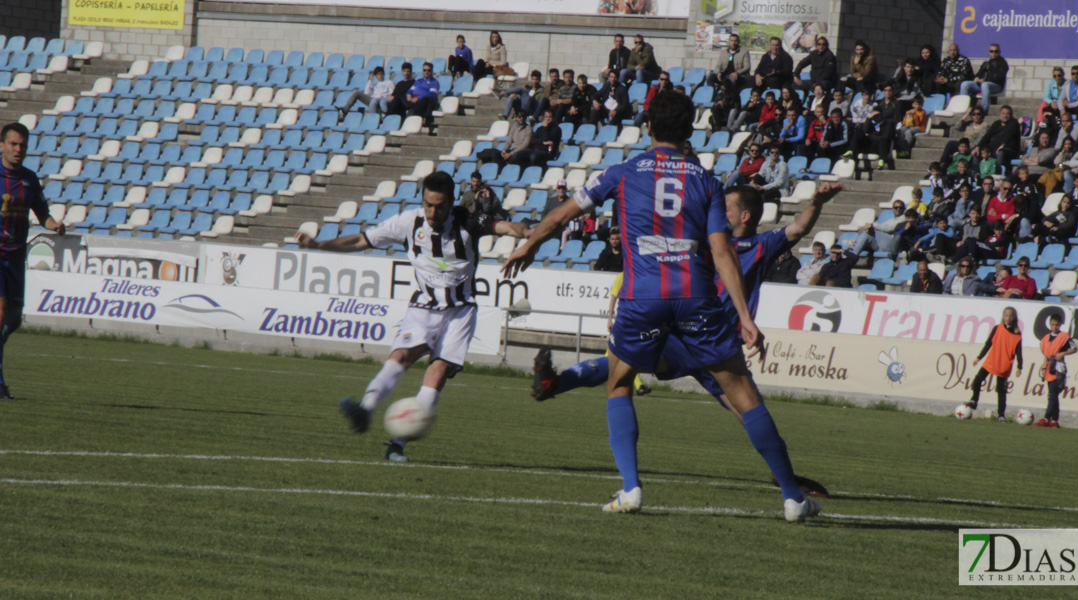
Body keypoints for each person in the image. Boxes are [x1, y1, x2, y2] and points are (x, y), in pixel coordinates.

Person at [502, 92, 823, 521]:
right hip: (696, 298)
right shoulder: (706, 181)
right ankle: (792, 498)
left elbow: (563, 216)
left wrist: (528, 245)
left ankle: (631, 488)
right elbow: (723, 253)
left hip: (643, 296)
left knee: (618, 381)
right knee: (743, 395)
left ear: (648, 127)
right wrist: (745, 318)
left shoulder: (623, 172)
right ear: (690, 131)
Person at [296, 172, 529, 462]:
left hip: (460, 311)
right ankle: (365, 411)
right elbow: (361, 239)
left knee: (438, 372)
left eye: (440, 206)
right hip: (423, 307)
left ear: (451, 202)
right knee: (402, 356)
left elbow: (505, 227)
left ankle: (397, 445)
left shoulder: (468, 221)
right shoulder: (409, 222)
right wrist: (318, 245)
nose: (433, 212)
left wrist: (527, 232)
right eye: (428, 205)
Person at [0, 122, 65, 399]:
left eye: (22, 145)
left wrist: (54, 225)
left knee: (13, 320)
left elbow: (42, 213)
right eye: (13, 144)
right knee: (1, 312)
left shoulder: (29, 178)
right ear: (1, 145)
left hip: (16, 257)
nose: (18, 149)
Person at [964, 306, 1023, 422]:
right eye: (1006, 315)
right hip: (992, 360)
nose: (1008, 318)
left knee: (1001, 391)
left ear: (1014, 317)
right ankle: (974, 400)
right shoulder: (997, 328)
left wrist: (1019, 366)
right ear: (1003, 316)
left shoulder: (1017, 334)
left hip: (1004, 365)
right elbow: (988, 344)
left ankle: (1001, 415)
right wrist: (979, 357)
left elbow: (1018, 352)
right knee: (977, 380)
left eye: (1010, 315)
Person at [1037, 313, 1077, 428]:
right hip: (1050, 366)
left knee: (1052, 394)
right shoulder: (1045, 339)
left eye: (1057, 325)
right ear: (1050, 324)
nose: (1055, 327)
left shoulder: (1064, 336)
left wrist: (1063, 353)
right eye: (1053, 324)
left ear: (1060, 325)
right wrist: (1044, 367)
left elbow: (1074, 349)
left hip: (1058, 367)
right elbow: (1046, 355)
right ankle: (1054, 421)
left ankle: (1046, 418)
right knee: (1053, 395)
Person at [960, 43, 1008, 111]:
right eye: (991, 51)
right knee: (965, 84)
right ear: (989, 52)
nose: (993, 53)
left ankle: (984, 109)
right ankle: (963, 108)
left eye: (995, 51)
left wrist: (985, 80)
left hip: (996, 86)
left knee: (985, 85)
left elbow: (998, 77)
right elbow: (979, 73)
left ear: (999, 52)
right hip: (982, 84)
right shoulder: (986, 63)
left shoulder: (1003, 63)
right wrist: (976, 78)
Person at [406, 62, 441, 126]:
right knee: (398, 98)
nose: (426, 72)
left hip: (424, 101)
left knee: (425, 100)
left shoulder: (434, 82)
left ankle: (414, 122)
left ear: (432, 71)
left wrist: (418, 98)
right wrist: (408, 94)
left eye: (429, 70)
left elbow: (432, 94)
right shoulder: (418, 81)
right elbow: (410, 90)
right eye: (425, 70)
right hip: (413, 99)